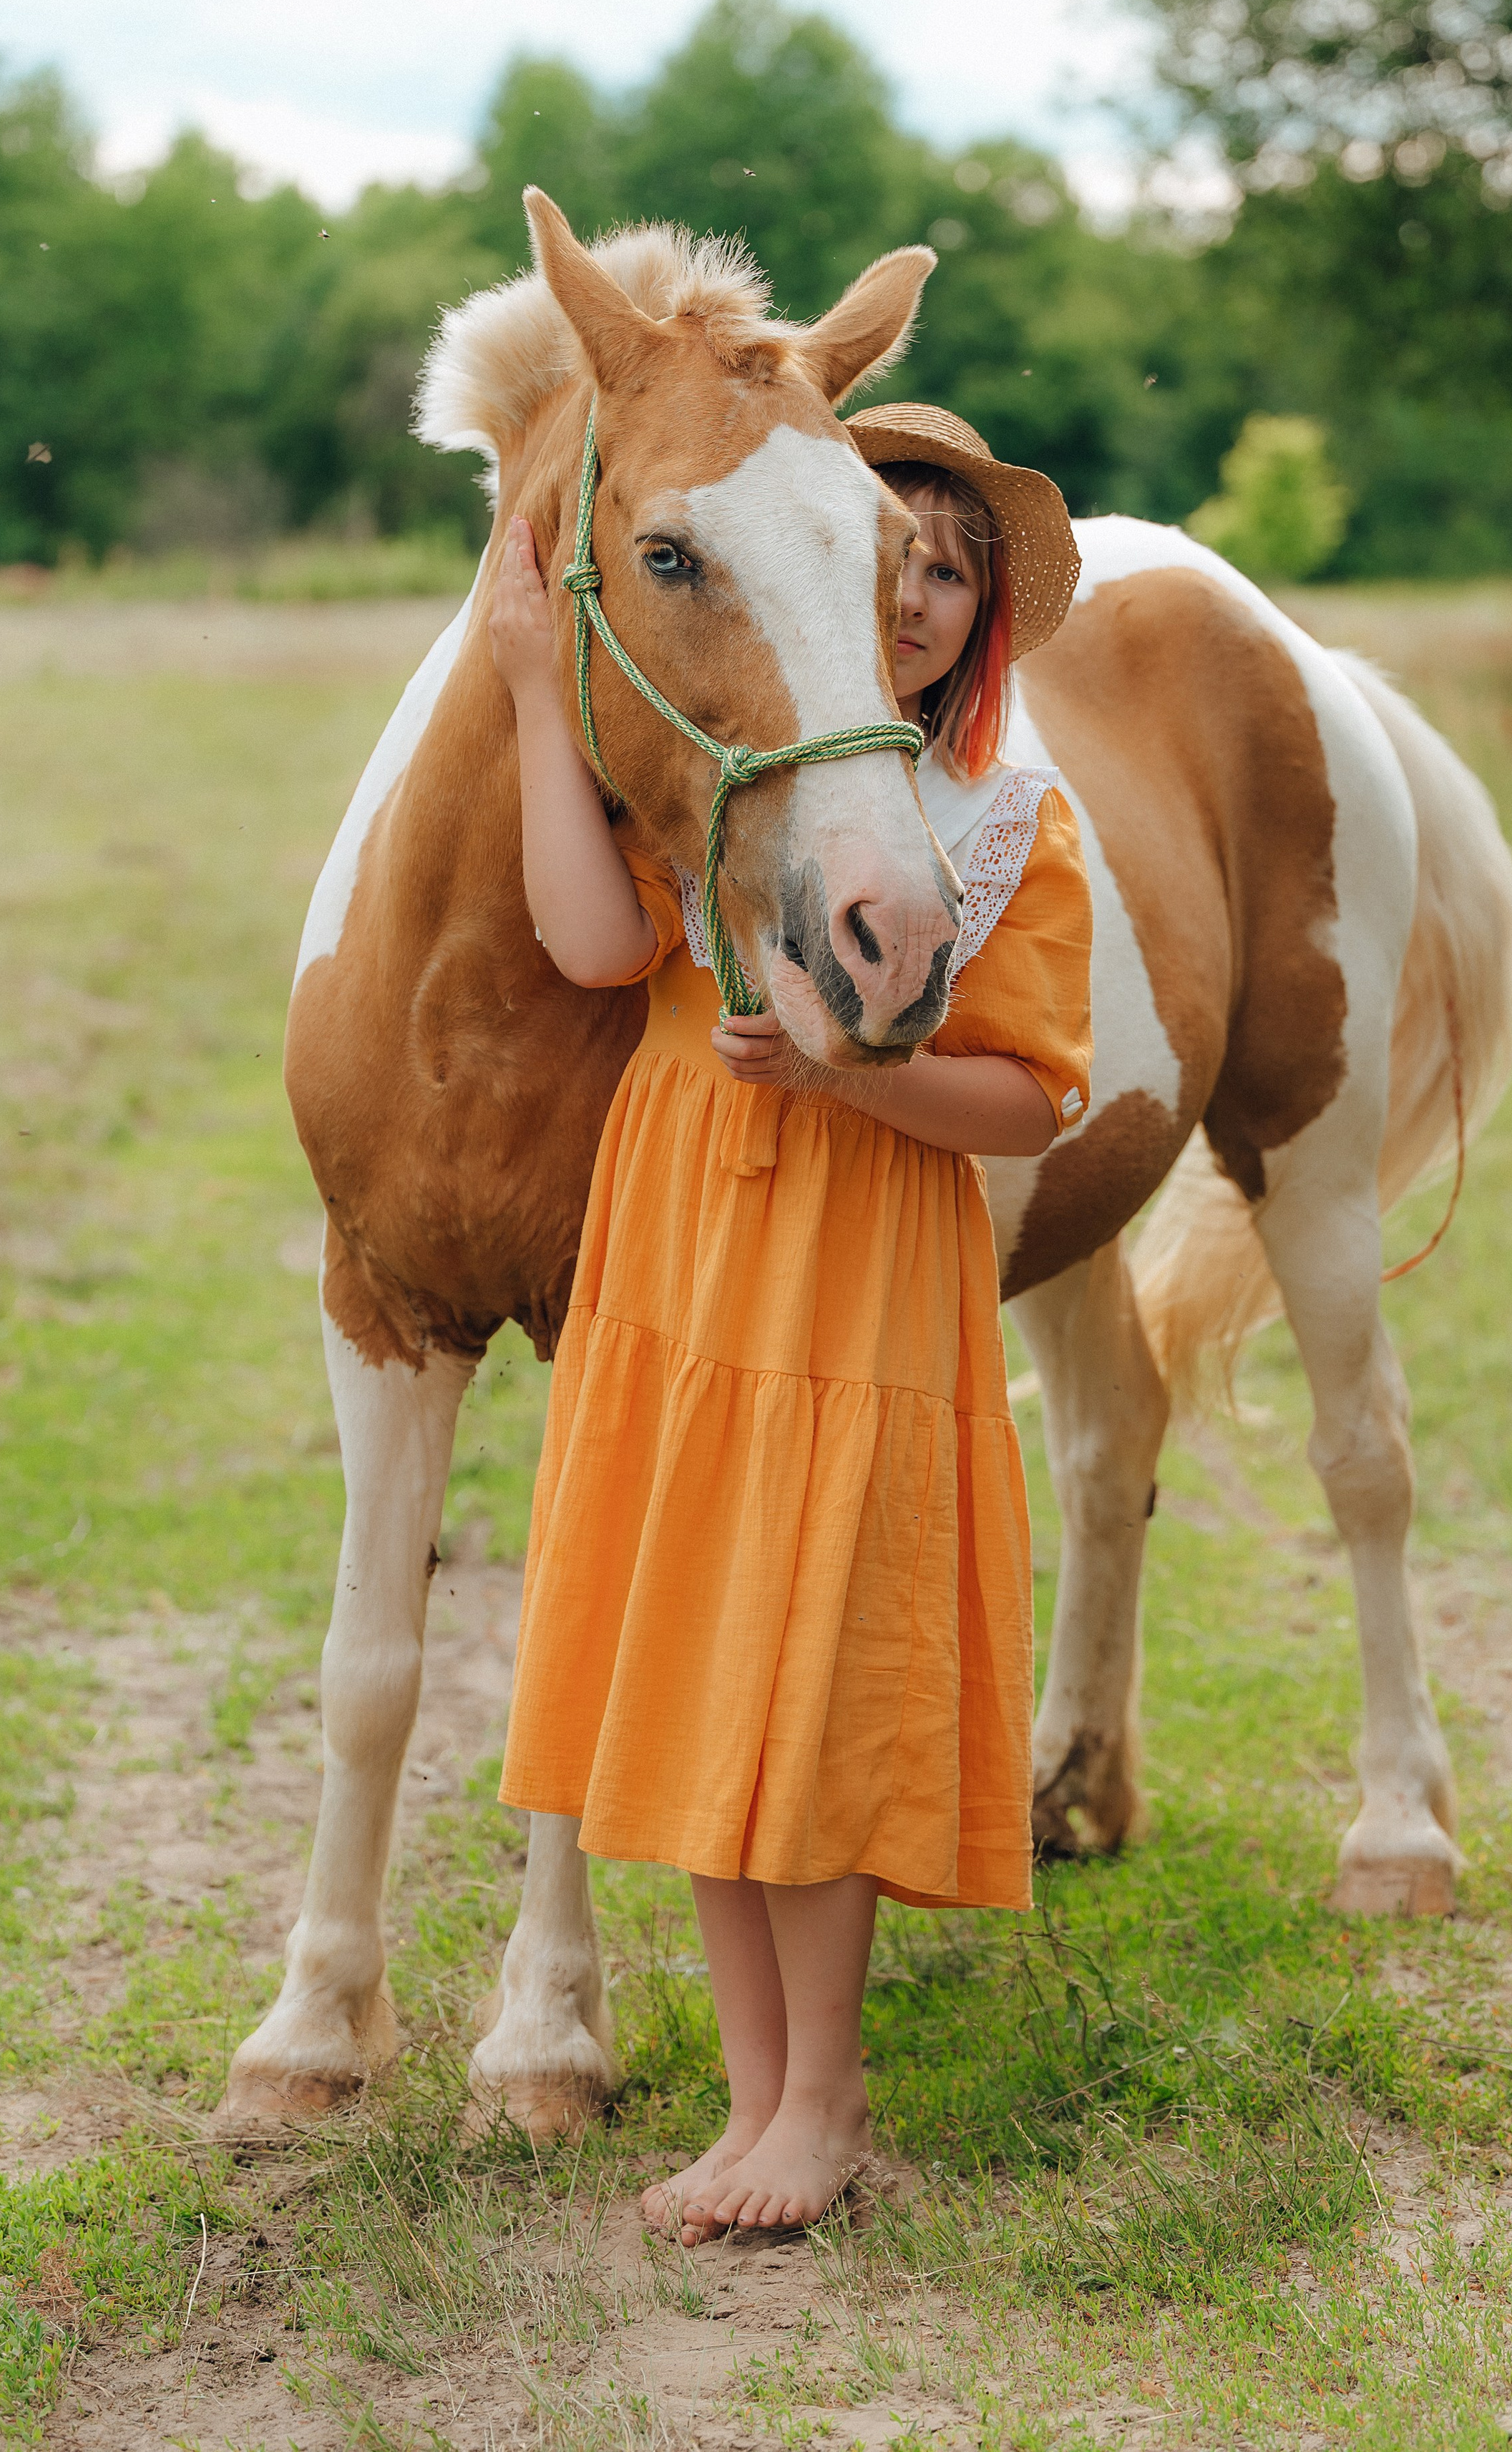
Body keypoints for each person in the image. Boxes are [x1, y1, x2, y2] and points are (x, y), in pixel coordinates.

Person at [490, 399, 1092, 2242]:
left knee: (821, 1671)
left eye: (944, 567)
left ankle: (822, 2100)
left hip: (850, 1268)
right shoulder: (737, 774)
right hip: (682, 1257)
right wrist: (533, 685)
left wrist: (852, 1084)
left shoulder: (1002, 822)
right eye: (884, 552)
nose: (910, 590)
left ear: (975, 612)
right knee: (699, 1649)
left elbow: (1032, 1097)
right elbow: (599, 949)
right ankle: (753, 2102)